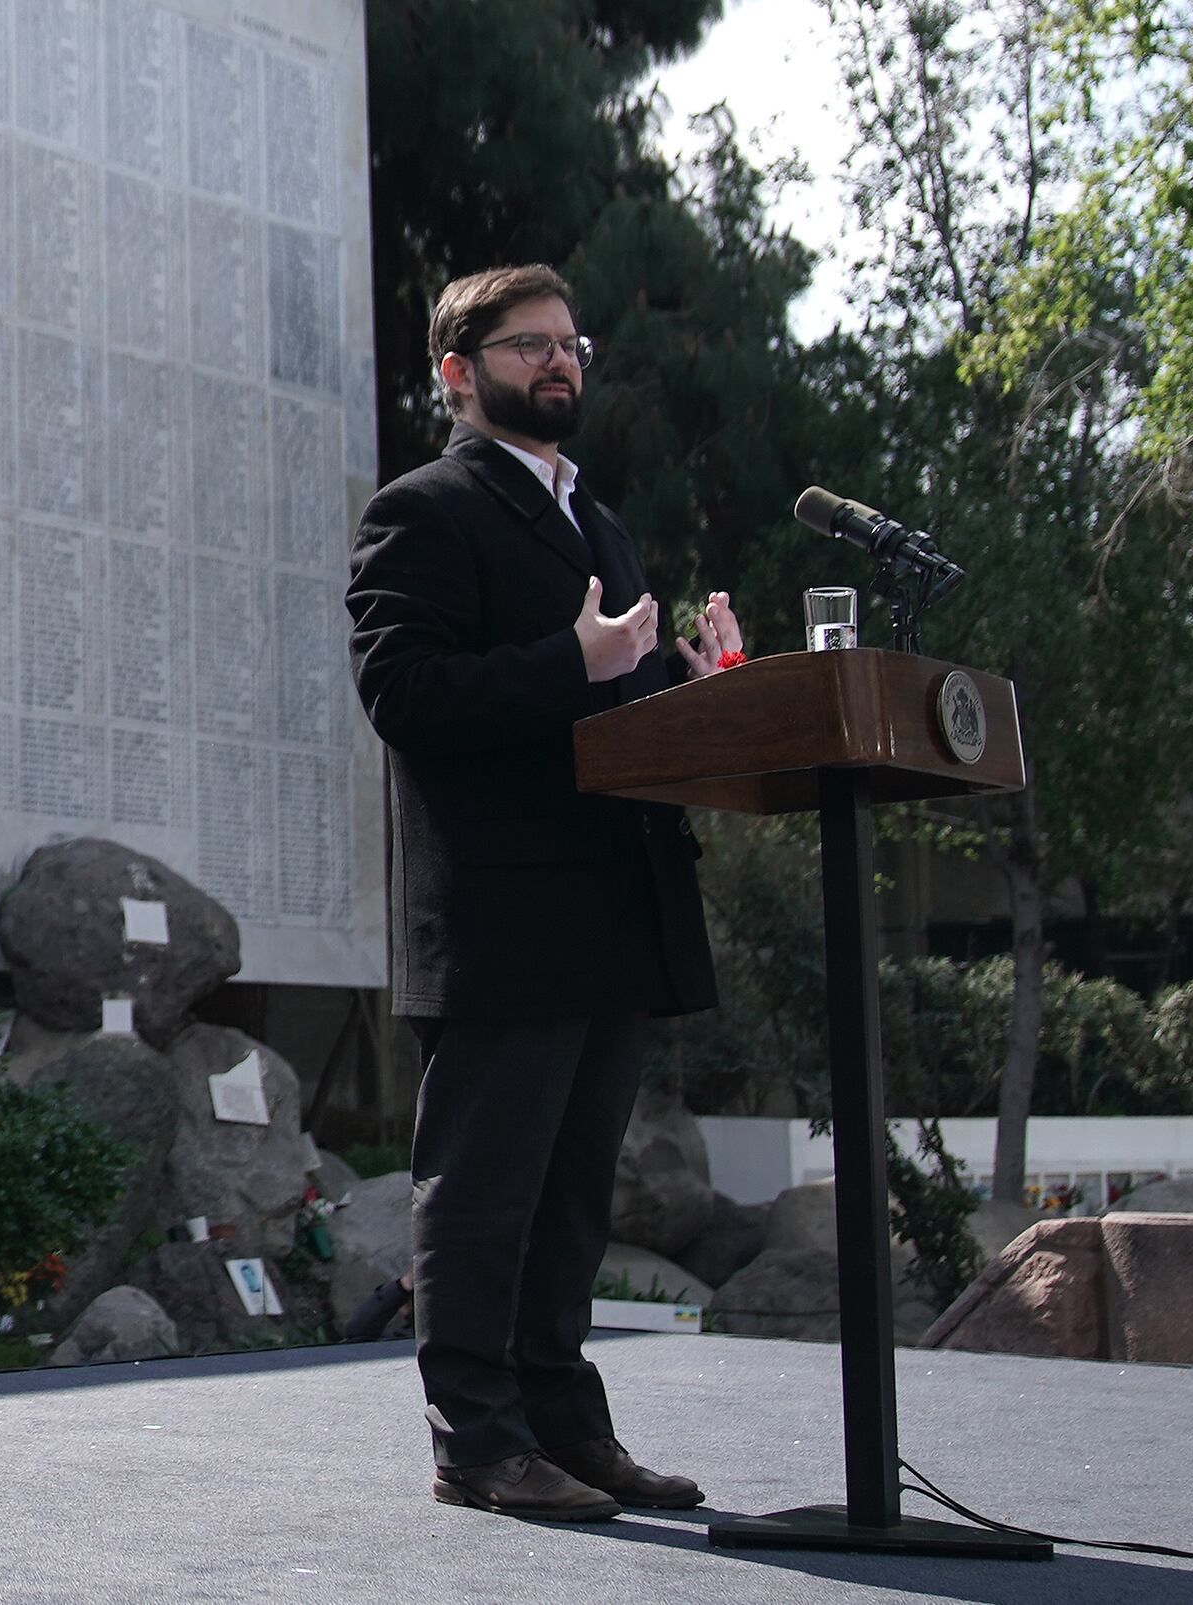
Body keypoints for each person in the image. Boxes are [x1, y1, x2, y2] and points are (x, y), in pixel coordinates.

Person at [346, 263, 738, 1523]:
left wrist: (695, 687)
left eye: (574, 344)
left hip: (610, 908)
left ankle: (570, 1430)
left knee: (573, 1199)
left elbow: (608, 714)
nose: (561, 364)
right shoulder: (423, 512)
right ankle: (478, 1443)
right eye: (531, 347)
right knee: (485, 1194)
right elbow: (405, 697)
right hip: (503, 916)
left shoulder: (600, 525)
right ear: (460, 373)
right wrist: (570, 658)